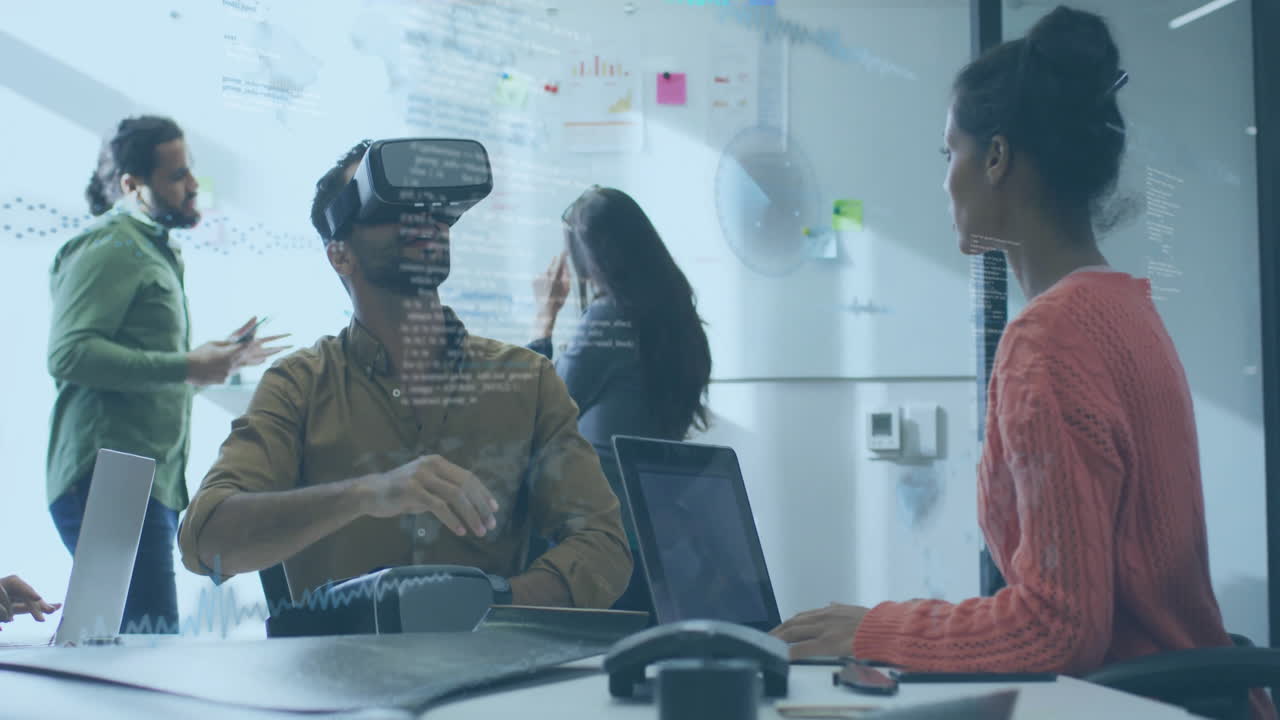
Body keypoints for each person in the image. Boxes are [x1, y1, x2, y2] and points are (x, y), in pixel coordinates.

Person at [771, 7, 1275, 718]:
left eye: (950, 153)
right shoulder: (1125, 309)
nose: (946, 179)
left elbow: (1056, 629)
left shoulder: (1049, 340)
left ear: (998, 158)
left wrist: (873, 629)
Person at [176, 140, 632, 608]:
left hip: (489, 669)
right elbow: (204, 543)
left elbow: (603, 545)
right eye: (392, 204)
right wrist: (366, 493)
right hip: (339, 674)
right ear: (340, 255)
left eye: (434, 207)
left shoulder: (527, 381)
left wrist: (491, 605)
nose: (425, 217)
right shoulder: (299, 386)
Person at [47, 115, 288, 634]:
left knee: (119, 647)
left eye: (190, 170)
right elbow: (69, 354)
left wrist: (207, 363)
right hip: (109, 478)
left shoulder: (153, 248)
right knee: (144, 652)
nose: (193, 185)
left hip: (140, 480)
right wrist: (187, 365)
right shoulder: (112, 244)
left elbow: (136, 361)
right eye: (177, 175)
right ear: (132, 186)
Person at [529, 186, 712, 612]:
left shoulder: (609, 317)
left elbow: (546, 406)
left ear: (587, 257)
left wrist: (544, 320)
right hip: (654, 531)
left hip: (605, 533)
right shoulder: (678, 319)